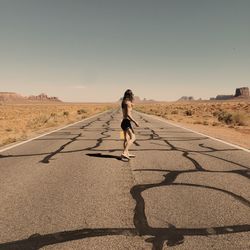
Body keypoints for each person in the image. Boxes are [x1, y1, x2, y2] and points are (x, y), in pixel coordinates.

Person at [121, 89, 139, 159]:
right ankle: (125, 152)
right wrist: (135, 122)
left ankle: (127, 153)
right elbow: (128, 114)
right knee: (133, 137)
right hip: (126, 122)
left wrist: (131, 105)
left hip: (124, 122)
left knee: (126, 139)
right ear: (130, 95)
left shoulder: (124, 102)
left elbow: (126, 111)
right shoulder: (128, 103)